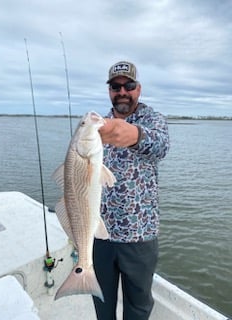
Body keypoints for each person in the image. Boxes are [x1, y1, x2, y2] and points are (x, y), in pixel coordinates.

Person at [93, 61, 170, 320]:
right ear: (109, 91)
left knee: (137, 308)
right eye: (116, 86)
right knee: (102, 302)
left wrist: (134, 135)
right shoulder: (97, 127)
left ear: (138, 89)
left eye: (129, 85)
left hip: (140, 235)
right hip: (100, 234)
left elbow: (161, 147)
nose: (122, 91)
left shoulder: (152, 120)